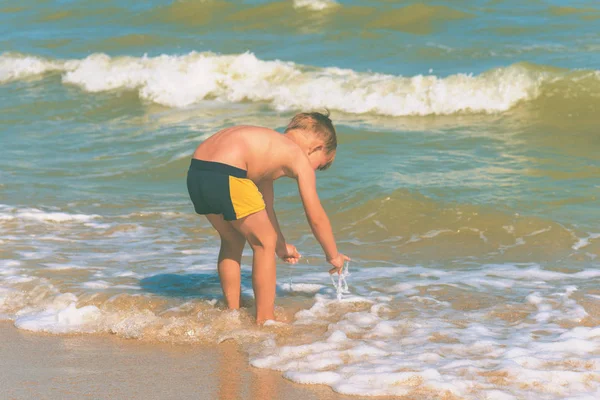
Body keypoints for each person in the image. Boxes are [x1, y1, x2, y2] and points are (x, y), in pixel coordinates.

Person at [187, 111, 350, 323]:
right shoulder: (297, 156)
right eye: (319, 165)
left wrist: (281, 246)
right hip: (227, 172)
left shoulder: (268, 149)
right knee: (264, 243)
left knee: (232, 239)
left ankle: (231, 313)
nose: (313, 170)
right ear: (317, 147)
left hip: (197, 172)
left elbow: (265, 209)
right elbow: (315, 215)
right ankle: (265, 320)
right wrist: (333, 255)